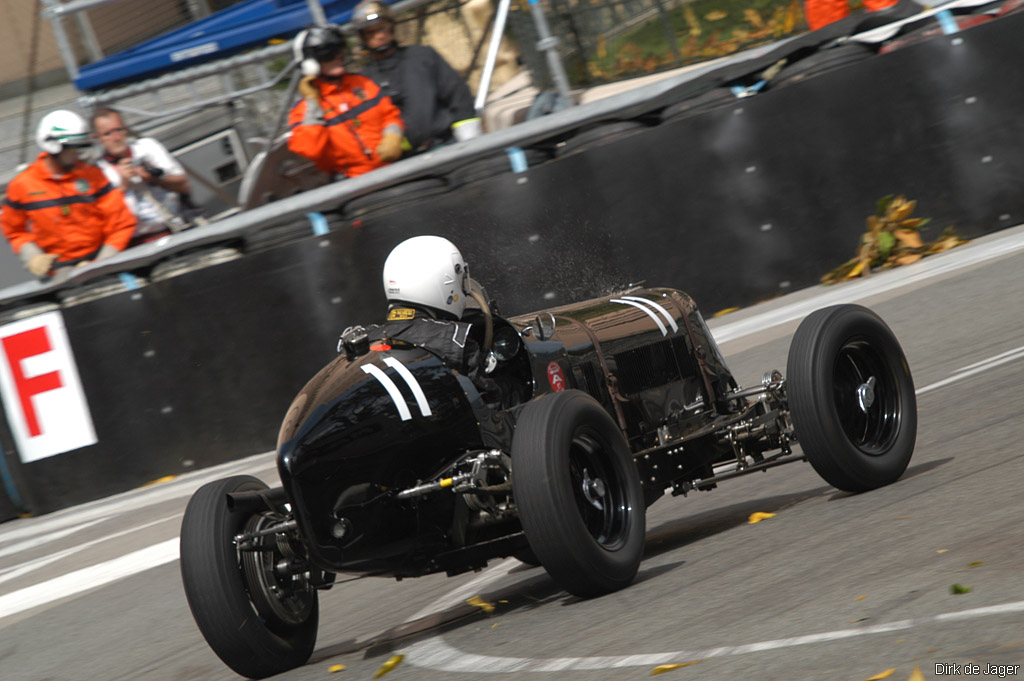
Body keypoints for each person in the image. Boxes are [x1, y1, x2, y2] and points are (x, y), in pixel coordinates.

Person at [1, 109, 135, 281]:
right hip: (58, 275)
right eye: (72, 148)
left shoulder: (93, 176)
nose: (77, 154)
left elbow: (121, 224)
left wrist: (100, 263)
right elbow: (14, 231)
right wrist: (32, 256)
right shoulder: (22, 185)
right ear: (52, 146)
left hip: (104, 267)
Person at [351, 0, 481, 155]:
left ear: (391, 27)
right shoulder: (363, 81)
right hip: (406, 161)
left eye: (382, 29)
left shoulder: (423, 57)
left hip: (449, 146)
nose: (379, 36)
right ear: (363, 38)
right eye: (371, 33)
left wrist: (469, 142)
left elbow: (458, 96)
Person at [287, 24, 405, 178]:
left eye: (338, 51)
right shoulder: (304, 109)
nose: (337, 57)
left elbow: (390, 115)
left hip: (393, 170)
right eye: (328, 54)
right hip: (351, 185)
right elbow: (310, 148)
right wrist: (312, 103)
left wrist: (393, 135)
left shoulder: (363, 84)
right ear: (310, 64)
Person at [92, 107, 196, 246]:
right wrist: (123, 186)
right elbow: (101, 219)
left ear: (126, 130)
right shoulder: (97, 171)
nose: (116, 138)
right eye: (108, 134)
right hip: (133, 242)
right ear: (98, 138)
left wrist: (154, 177)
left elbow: (184, 186)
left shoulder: (147, 147)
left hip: (173, 230)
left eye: (119, 130)